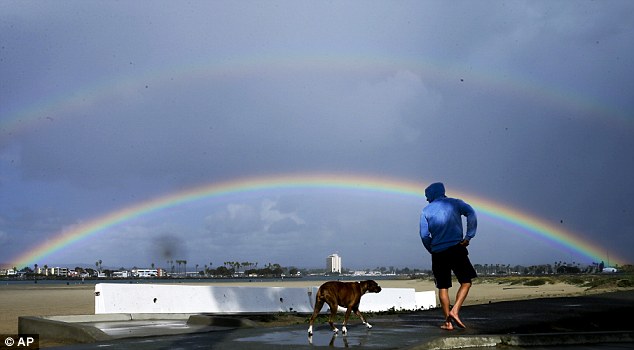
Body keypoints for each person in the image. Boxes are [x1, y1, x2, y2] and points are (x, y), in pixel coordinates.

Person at [419, 182, 477, 330]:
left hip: (438, 252)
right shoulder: (455, 203)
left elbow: (424, 235)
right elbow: (471, 213)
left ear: (432, 194)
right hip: (456, 248)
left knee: (443, 287)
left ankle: (448, 322)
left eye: (427, 196)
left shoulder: (425, 211)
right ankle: (455, 310)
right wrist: (469, 236)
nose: (426, 199)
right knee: (466, 282)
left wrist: (431, 249)